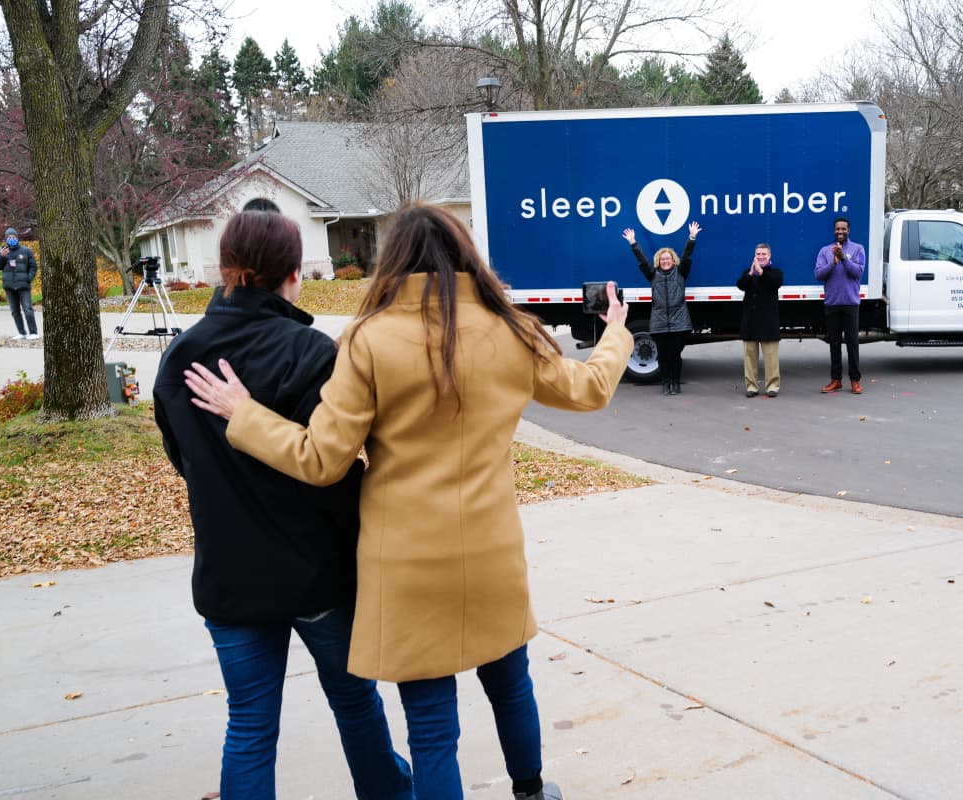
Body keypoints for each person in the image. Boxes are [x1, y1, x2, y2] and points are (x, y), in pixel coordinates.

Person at [183, 202, 634, 800]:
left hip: (407, 566)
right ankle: (530, 792)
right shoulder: (514, 330)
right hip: (493, 554)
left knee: (430, 729)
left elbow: (323, 459)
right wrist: (617, 331)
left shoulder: (368, 339)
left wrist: (246, 416)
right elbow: (591, 388)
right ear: (466, 257)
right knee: (511, 684)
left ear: (395, 261)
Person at [153, 211, 413, 800]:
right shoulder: (311, 352)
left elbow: (184, 458)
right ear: (293, 275)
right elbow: (335, 463)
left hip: (229, 574)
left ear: (225, 270)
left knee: (249, 723)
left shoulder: (180, 357)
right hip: (317, 572)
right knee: (354, 701)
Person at [622, 222, 699, 395]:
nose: (665, 261)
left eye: (668, 258)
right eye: (662, 259)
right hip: (659, 322)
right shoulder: (653, 275)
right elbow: (642, 261)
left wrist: (692, 237)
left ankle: (675, 383)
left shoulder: (680, 274)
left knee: (675, 356)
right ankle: (666, 383)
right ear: (659, 261)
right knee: (663, 356)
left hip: (679, 321)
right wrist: (633, 243)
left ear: (673, 260)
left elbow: (687, 257)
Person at [814, 216, 866, 394]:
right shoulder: (824, 251)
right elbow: (819, 274)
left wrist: (843, 259)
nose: (840, 232)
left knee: (852, 344)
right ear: (834, 230)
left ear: (848, 230)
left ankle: (855, 381)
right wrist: (833, 262)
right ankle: (836, 380)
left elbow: (858, 272)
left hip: (851, 304)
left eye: (843, 229)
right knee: (834, 344)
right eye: (838, 229)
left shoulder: (858, 249)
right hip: (832, 304)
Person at [736, 243, 783, 397]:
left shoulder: (775, 272)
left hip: (768, 321)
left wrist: (761, 272)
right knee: (750, 356)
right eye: (758, 254)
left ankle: (772, 386)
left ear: (769, 256)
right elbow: (741, 285)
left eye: (764, 254)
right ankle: (751, 386)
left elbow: (773, 283)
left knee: (770, 356)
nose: (761, 257)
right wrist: (750, 273)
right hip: (750, 320)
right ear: (754, 256)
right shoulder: (748, 273)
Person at [0, 228, 39, 341]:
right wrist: (2, 256)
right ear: (6, 239)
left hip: (23, 286)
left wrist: (28, 278)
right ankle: (21, 332)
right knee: (15, 311)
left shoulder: (26, 251)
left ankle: (33, 332)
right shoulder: (1, 250)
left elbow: (33, 266)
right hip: (9, 286)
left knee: (28, 309)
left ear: (17, 238)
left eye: (13, 237)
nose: (11, 239)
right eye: (9, 237)